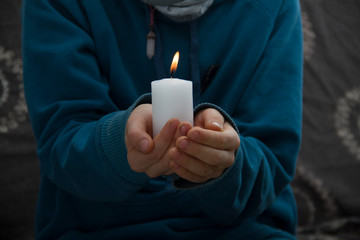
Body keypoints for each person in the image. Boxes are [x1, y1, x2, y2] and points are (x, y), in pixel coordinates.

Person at [22, 0, 303, 239]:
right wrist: (121, 145)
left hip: (244, 230)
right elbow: (61, 144)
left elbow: (273, 159)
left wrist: (225, 163)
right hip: (96, 229)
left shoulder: (272, 7)